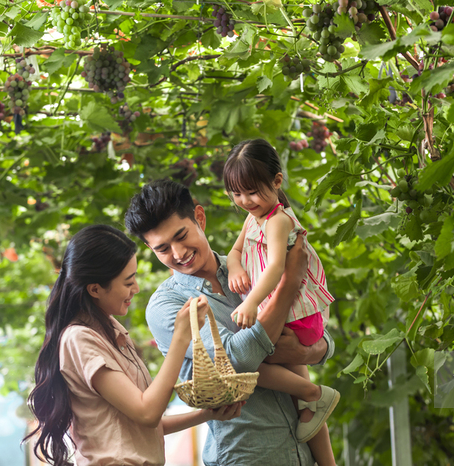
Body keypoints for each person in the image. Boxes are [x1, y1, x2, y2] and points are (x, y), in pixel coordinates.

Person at [125, 179, 337, 466]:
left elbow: (310, 326)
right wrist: (288, 287)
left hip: (305, 452)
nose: (178, 254)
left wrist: (311, 352)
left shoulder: (254, 264)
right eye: (163, 249)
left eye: (181, 236)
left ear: (199, 217)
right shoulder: (167, 307)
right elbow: (237, 358)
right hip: (247, 455)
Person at [24, 225, 243, 466]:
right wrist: (181, 337)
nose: (136, 289)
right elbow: (147, 413)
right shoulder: (79, 339)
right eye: (128, 282)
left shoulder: (111, 330)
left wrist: (208, 414)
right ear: (95, 289)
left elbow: (143, 426)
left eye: (135, 277)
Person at [222, 139, 339, 459]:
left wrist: (249, 302)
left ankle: (312, 394)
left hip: (300, 313)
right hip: (282, 307)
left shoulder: (278, 221)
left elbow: (275, 268)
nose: (244, 200)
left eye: (252, 191)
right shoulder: (254, 218)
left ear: (276, 182)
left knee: (254, 358)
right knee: (278, 362)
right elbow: (234, 251)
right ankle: (312, 403)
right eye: (237, 193)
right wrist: (234, 267)